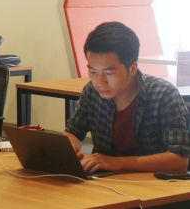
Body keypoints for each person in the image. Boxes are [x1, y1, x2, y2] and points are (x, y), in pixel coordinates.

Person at [64, 22, 190, 174]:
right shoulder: (92, 92)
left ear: (133, 68)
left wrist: (117, 163)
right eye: (93, 72)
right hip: (103, 182)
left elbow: (179, 160)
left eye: (109, 73)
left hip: (152, 184)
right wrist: (68, 148)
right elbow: (73, 132)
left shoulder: (163, 94)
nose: (100, 82)